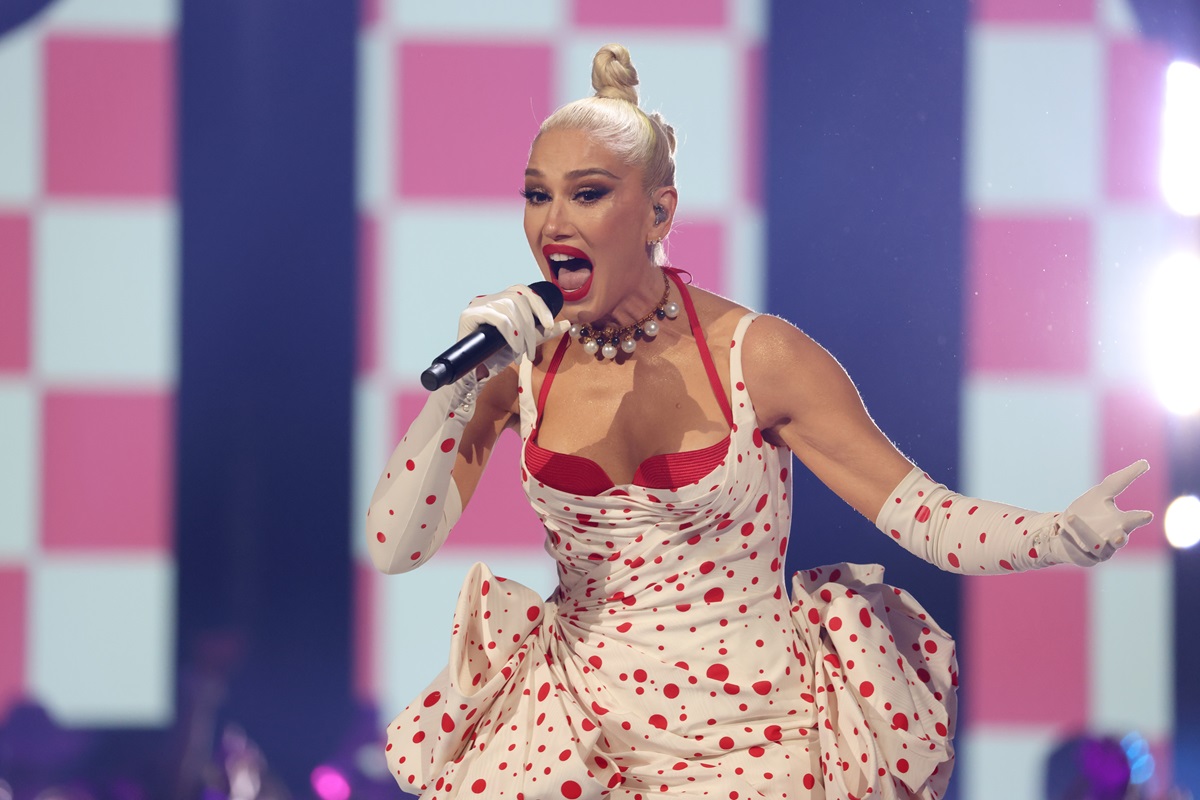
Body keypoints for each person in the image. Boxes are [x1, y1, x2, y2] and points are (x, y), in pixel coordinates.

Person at [366, 44, 1152, 800]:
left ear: (658, 211)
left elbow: (927, 518)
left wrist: (1058, 535)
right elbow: (393, 547)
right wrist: (458, 390)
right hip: (571, 732)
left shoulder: (759, 356)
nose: (553, 223)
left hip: (750, 739)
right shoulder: (517, 366)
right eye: (537, 195)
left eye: (589, 193)